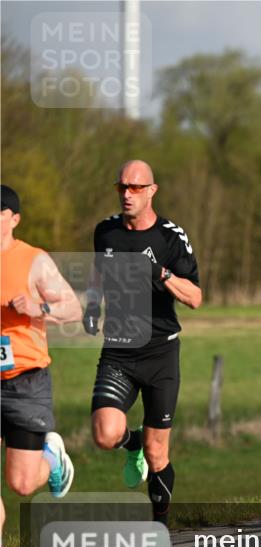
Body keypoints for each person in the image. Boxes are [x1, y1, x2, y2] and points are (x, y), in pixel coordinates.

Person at [85, 161, 202, 527]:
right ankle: (129, 442)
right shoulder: (105, 232)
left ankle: (160, 526)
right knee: (105, 434)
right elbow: (96, 273)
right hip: (118, 351)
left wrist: (162, 273)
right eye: (122, 187)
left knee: (157, 453)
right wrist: (91, 304)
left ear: (152, 190)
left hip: (160, 354)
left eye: (136, 188)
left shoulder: (170, 238)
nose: (127, 194)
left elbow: (195, 297)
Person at [1, 184, 82, 547]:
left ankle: (52, 456)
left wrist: (40, 308)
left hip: (25, 382)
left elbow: (74, 307)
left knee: (21, 483)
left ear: (14, 219)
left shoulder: (33, 260)